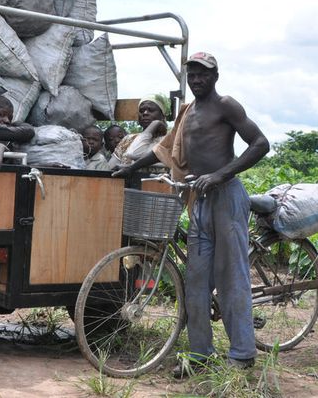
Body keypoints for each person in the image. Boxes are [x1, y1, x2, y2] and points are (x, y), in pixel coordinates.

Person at [113, 51, 269, 376]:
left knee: (232, 277)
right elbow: (164, 149)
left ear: (215, 76)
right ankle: (200, 354)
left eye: (203, 74)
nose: (197, 80)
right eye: (192, 74)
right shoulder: (187, 112)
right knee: (195, 282)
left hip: (226, 197)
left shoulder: (226, 105)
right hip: (199, 200)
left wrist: (221, 174)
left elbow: (260, 143)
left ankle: (242, 354)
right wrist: (127, 168)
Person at [107, 96, 168, 170]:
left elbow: (133, 154)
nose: (145, 113)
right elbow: (110, 168)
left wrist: (155, 124)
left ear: (163, 115)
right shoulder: (128, 139)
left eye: (151, 110)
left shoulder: (168, 141)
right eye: (141, 111)